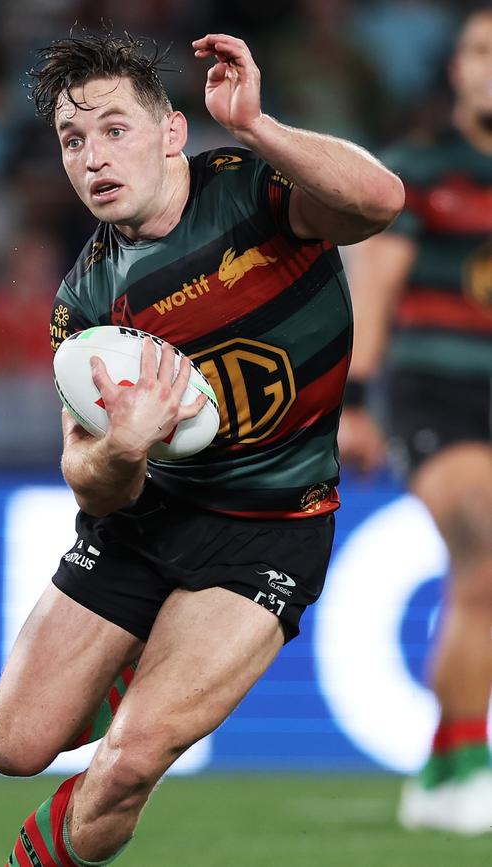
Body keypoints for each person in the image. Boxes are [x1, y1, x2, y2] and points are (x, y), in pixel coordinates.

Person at [0, 30, 403, 866]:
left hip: (269, 530)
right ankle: (136, 664)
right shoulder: (87, 299)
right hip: (147, 521)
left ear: (172, 130)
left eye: (113, 129)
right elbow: (88, 482)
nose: (93, 157)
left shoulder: (254, 190)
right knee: (14, 745)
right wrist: (124, 451)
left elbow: (379, 203)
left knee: (127, 764)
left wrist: (258, 126)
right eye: (73, 141)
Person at [339, 9, 492, 836]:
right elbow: (375, 297)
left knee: (484, 584)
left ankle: (442, 768)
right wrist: (356, 406)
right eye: (478, 51)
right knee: (488, 557)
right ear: (456, 71)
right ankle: (467, 764)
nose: (490, 65)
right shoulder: (418, 173)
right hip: (440, 403)